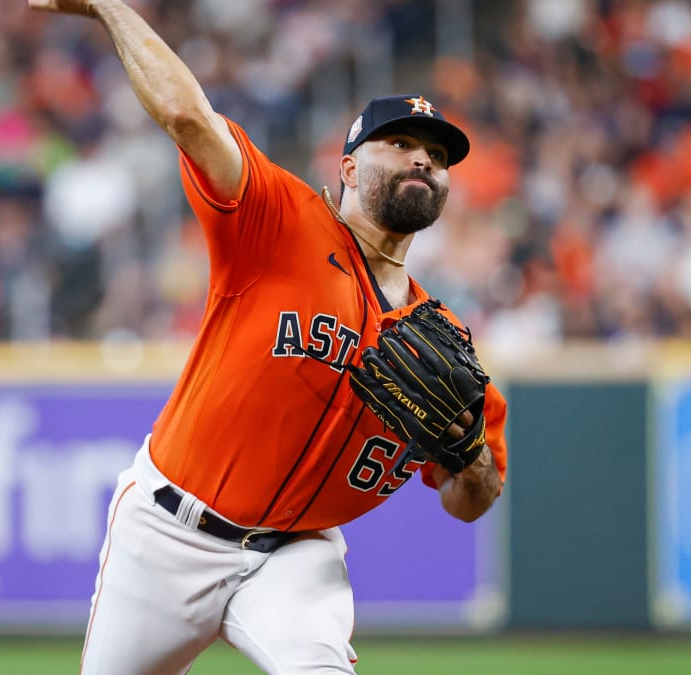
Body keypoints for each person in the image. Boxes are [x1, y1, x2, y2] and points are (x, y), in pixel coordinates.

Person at [29, 2, 509, 673]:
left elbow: (472, 501)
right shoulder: (277, 219)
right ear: (347, 169)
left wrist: (468, 455)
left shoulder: (449, 347)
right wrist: (109, 8)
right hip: (168, 532)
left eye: (435, 155)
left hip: (296, 555)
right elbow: (188, 117)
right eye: (399, 144)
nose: (422, 160)